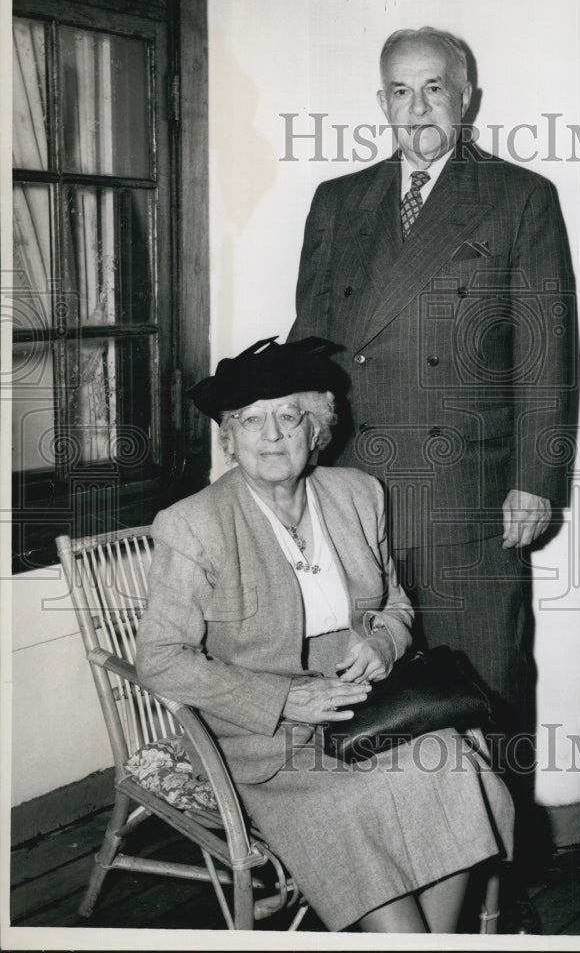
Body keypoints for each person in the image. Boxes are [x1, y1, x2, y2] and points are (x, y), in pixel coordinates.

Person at [287, 26, 576, 875]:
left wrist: (536, 479)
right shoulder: (338, 200)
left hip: (469, 489)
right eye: (399, 93)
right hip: (355, 492)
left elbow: (546, 351)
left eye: (434, 90)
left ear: (466, 96)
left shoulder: (519, 197)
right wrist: (293, 462)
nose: (417, 109)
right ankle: (401, 864)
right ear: (380, 103)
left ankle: (498, 879)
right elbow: (312, 348)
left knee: (485, 681)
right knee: (372, 684)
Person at [135, 336, 514, 934]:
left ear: (318, 429)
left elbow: (393, 602)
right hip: (260, 733)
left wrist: (383, 644)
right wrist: (286, 698)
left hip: (370, 707)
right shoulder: (194, 524)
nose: (271, 435)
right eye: (249, 420)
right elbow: (159, 659)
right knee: (350, 806)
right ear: (228, 438)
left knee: (449, 767)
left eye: (289, 416)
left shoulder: (358, 494)